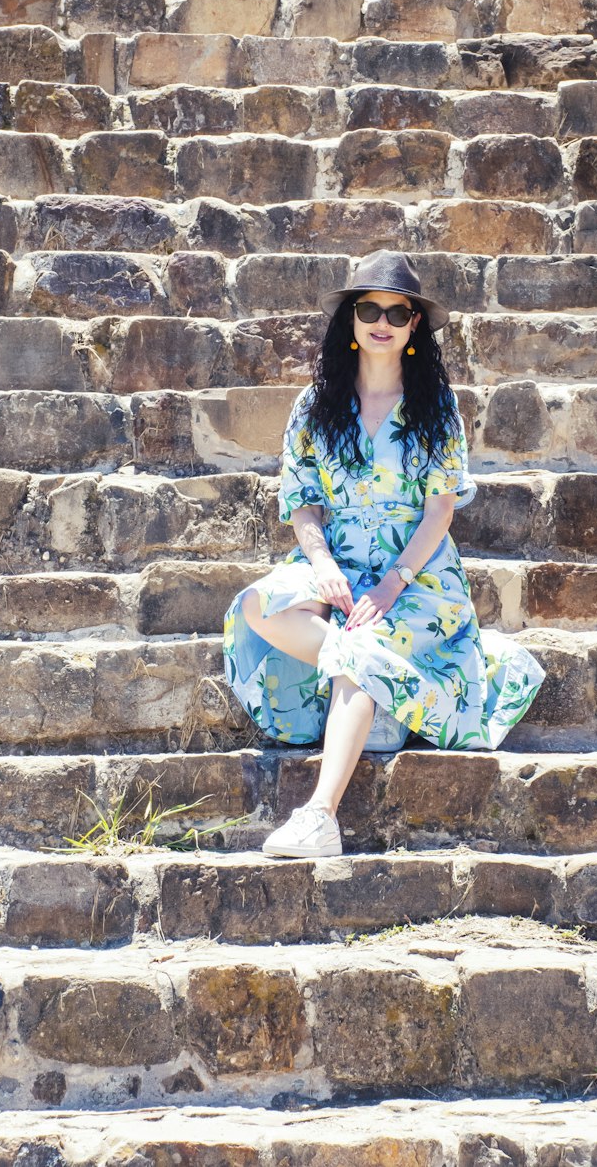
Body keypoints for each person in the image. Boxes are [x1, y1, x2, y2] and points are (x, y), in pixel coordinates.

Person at [222, 250, 546, 858]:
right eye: (368, 308)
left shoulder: (435, 410)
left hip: (416, 574)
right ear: (349, 317)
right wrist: (321, 567)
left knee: (364, 647)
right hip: (337, 560)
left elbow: (439, 513)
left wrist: (392, 585)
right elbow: (304, 503)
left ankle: (320, 816)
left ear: (414, 326)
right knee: (259, 607)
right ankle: (382, 695)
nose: (382, 321)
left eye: (397, 313)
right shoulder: (314, 407)